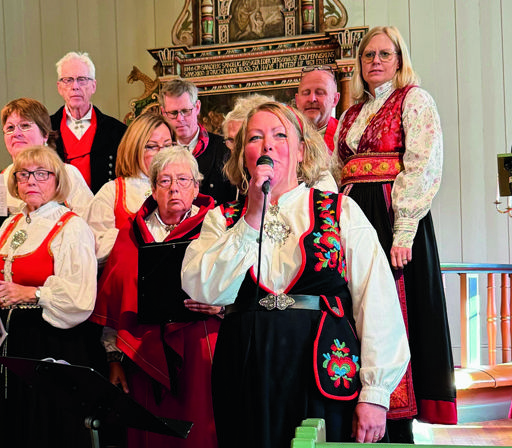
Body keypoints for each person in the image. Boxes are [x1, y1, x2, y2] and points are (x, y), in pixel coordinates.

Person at [181, 101, 410, 448]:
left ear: (301, 150)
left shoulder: (340, 210)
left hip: (323, 366)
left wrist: (375, 393)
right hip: (246, 368)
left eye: (279, 135)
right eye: (255, 137)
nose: (268, 145)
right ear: (244, 154)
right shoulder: (222, 220)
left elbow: (376, 301)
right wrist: (252, 216)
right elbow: (205, 289)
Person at [335, 25, 456, 441]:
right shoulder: (351, 114)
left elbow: (422, 162)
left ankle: (397, 415)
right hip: (352, 211)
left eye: (384, 54)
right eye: (368, 55)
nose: (376, 62)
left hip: (390, 214)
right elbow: (337, 171)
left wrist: (404, 228)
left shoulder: (414, 99)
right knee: (353, 305)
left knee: (393, 307)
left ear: (400, 60)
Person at [0, 146, 100, 448]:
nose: (31, 181)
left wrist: (32, 292)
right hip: (5, 341)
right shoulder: (9, 225)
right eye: (24, 174)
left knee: (42, 428)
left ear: (57, 181)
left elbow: (81, 297)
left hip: (47, 341)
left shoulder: (71, 226)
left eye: (42, 174)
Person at [91, 147, 219, 448]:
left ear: (197, 186)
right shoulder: (131, 233)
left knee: (199, 433)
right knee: (150, 435)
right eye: (164, 181)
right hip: (142, 350)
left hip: (200, 349)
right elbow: (115, 299)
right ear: (152, 188)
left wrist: (221, 307)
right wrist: (114, 359)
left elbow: (238, 289)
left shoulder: (216, 226)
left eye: (183, 179)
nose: (174, 187)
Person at [85, 113, 175, 264]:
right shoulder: (113, 191)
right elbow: (93, 247)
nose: (162, 154)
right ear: (135, 148)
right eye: (152, 147)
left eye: (168, 146)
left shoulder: (182, 187)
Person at [1, 98, 94, 217]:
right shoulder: (0, 180)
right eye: (10, 128)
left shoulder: (67, 173)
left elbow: (90, 223)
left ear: (45, 134)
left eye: (24, 125)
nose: (16, 133)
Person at [51, 51, 127, 193]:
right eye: (68, 80)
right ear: (59, 87)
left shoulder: (118, 131)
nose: (75, 86)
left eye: (82, 79)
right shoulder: (45, 128)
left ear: (93, 86)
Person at [160, 78, 237, 204]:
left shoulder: (224, 149)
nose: (180, 118)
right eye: (173, 113)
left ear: (197, 107)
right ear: (163, 113)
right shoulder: (159, 150)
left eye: (185, 111)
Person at [295, 66, 341, 152]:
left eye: (320, 93)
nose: (312, 99)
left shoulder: (344, 136)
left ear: (335, 99)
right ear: (297, 100)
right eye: (306, 93)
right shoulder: (286, 134)